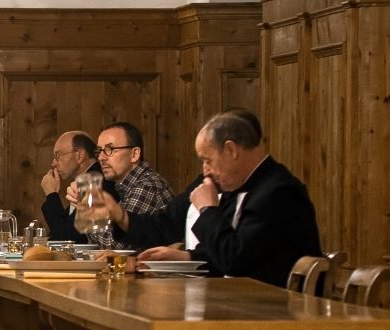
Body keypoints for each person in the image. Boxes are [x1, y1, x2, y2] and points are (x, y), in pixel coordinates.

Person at [108, 109, 320, 287]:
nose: (205, 171)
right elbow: (229, 252)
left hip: (274, 310)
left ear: (231, 150)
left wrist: (207, 210)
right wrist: (189, 257)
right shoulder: (239, 184)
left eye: (207, 160)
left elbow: (236, 260)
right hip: (240, 300)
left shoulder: (277, 192)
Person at [96, 121, 174, 219]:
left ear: (134, 154)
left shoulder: (146, 186)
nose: (100, 158)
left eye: (110, 149)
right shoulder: (128, 185)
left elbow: (120, 229)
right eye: (99, 151)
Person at [39, 130, 101, 242]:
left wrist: (51, 194)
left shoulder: (95, 181)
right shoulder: (89, 179)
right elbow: (63, 230)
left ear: (80, 155)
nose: (53, 163)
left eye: (58, 156)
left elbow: (66, 239)